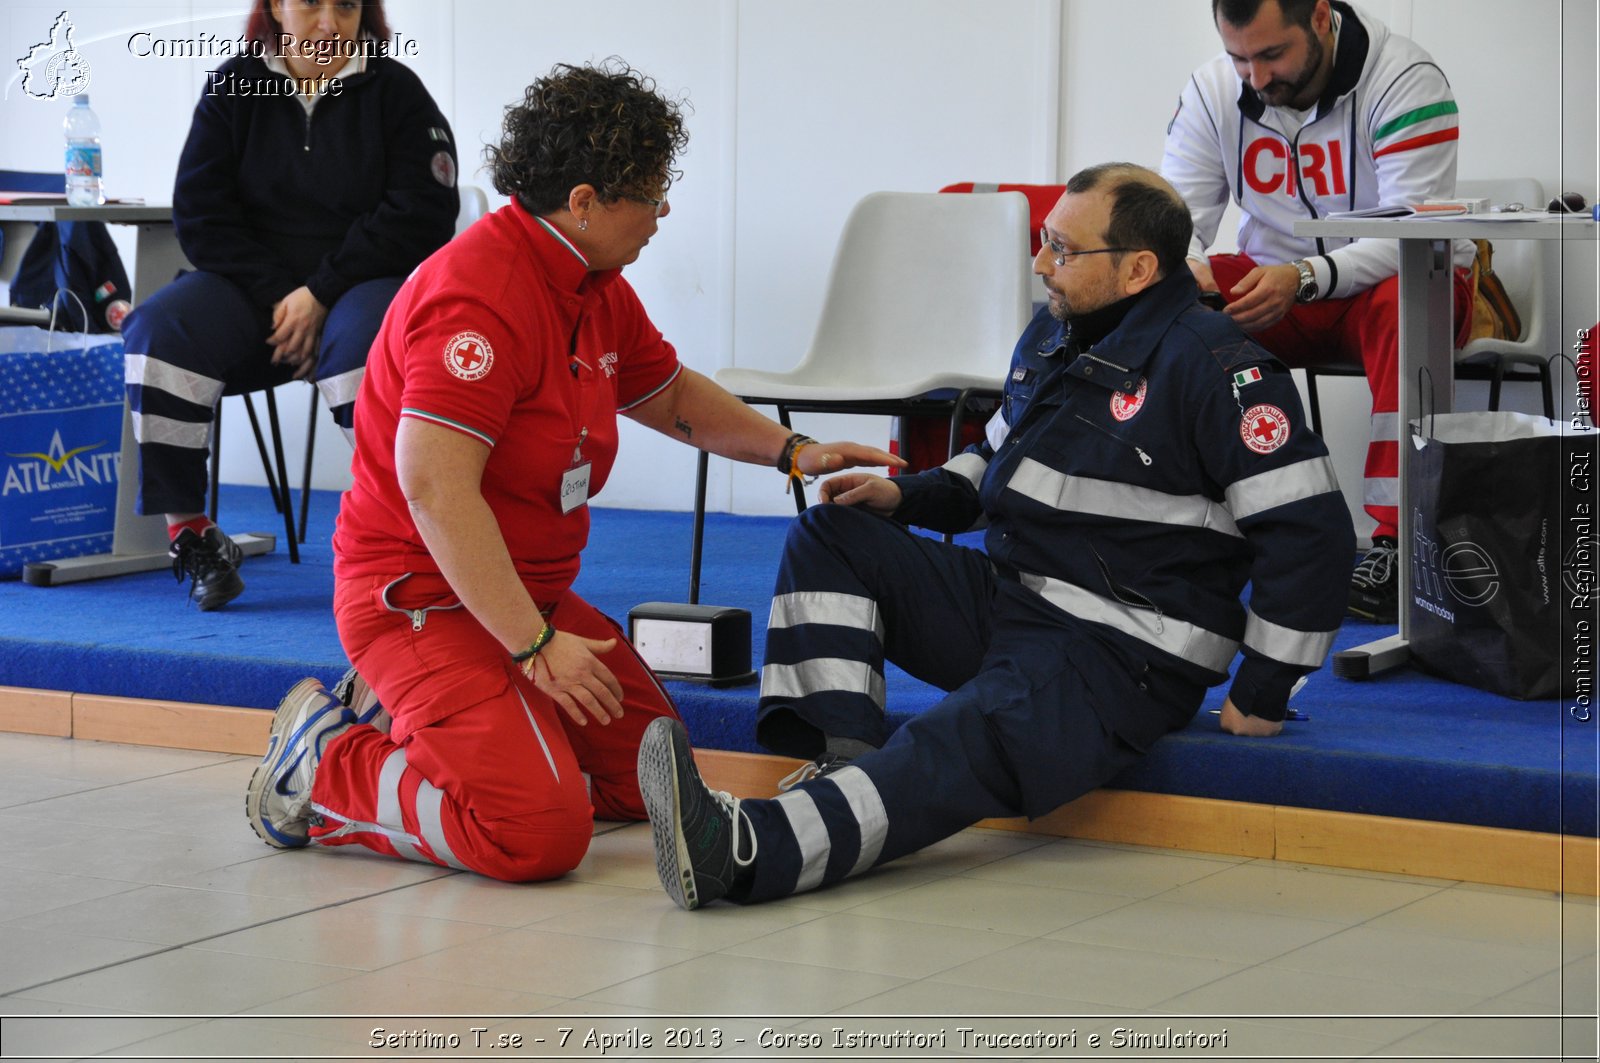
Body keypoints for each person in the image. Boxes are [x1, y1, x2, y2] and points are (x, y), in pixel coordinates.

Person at [242, 60, 903, 883]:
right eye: (650, 196)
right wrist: (536, 647)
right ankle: (324, 755)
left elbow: (665, 393)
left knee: (646, 783)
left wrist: (793, 451)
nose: (663, 214)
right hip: (421, 599)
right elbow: (435, 490)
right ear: (584, 202)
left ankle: (431, 717)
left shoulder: (593, 283)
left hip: (527, 594)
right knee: (538, 834)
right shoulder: (478, 300)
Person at [637, 164, 1355, 910]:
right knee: (832, 534)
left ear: (1140, 268)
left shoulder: (1218, 368)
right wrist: (903, 494)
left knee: (953, 740)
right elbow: (996, 463)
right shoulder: (1055, 331)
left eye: (1064, 251)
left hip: (1122, 654)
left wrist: (1262, 691)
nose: (1041, 264)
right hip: (1017, 603)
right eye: (1045, 243)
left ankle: (745, 852)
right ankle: (839, 765)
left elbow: (1314, 534)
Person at [123, 0, 459, 610]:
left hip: (358, 290)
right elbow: (200, 216)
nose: (329, 23)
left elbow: (424, 213)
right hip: (256, 298)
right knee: (159, 329)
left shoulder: (398, 92)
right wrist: (286, 299)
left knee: (369, 345)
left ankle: (405, 539)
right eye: (310, 4)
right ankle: (193, 535)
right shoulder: (233, 86)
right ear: (277, 7)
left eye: (347, 7)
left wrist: (321, 292)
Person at [1159, 0, 1474, 623]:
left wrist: (1307, 277)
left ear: (1322, 18)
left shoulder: (1407, 78)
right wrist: (1186, 267)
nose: (1255, 77)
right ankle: (1186, 526)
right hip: (1279, 288)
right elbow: (1174, 224)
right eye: (1238, 57)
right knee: (1168, 297)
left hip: (1402, 283)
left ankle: (1396, 546)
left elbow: (1411, 234)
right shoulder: (1213, 89)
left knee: (1404, 300)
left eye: (1272, 54)